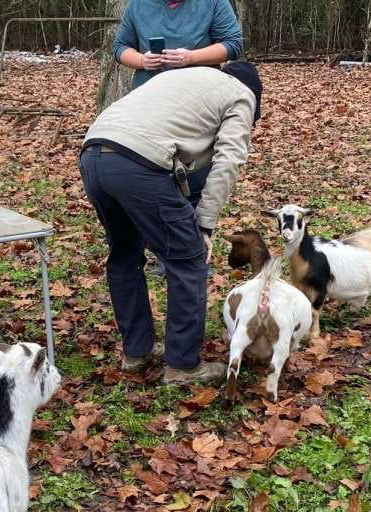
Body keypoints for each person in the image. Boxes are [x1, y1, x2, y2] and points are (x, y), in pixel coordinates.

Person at [79, 62, 262, 384]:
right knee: (189, 259)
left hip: (94, 153)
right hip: (137, 164)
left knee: (124, 254)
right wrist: (204, 225)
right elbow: (229, 159)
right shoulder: (242, 95)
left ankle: (137, 352)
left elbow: (168, 144)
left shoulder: (184, 77)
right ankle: (182, 365)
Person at [112, 0, 244, 90]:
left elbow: (233, 44)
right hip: (149, 93)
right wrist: (142, 61)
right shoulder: (137, 5)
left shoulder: (214, 2)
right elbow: (120, 47)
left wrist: (191, 57)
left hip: (201, 92)